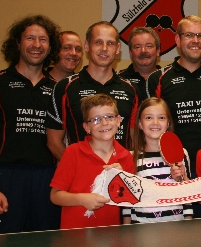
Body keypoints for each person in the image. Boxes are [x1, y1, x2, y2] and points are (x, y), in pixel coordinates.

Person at [0, 14, 62, 235]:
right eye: (30, 38)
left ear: (50, 47)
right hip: (6, 177)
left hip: (47, 179)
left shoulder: (58, 89)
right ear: (18, 43)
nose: (36, 45)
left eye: (43, 39)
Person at [146, 16, 201, 182]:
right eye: (189, 35)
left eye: (200, 36)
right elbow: (149, 126)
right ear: (177, 39)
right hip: (172, 167)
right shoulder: (158, 79)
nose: (195, 41)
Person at [47, 21, 139, 158]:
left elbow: (136, 140)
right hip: (80, 170)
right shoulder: (65, 87)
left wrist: (126, 167)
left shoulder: (131, 89)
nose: (104, 48)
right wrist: (77, 167)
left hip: (120, 169)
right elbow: (54, 142)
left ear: (118, 48)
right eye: (98, 42)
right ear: (87, 45)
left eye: (110, 43)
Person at [50, 94, 135, 229]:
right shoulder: (73, 152)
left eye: (109, 117)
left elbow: (129, 200)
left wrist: (122, 179)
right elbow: (55, 196)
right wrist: (82, 199)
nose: (104, 123)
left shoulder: (125, 157)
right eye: (96, 119)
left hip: (110, 234)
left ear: (119, 120)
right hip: (74, 235)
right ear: (86, 127)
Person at [126, 97, 192, 223]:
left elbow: (187, 197)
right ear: (140, 124)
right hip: (141, 228)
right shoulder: (130, 157)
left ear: (168, 123)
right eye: (148, 118)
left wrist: (181, 177)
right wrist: (127, 228)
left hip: (176, 228)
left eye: (161, 117)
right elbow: (127, 200)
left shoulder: (181, 153)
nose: (155, 122)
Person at [118, 27, 161, 102]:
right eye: (137, 47)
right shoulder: (118, 79)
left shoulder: (167, 79)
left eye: (149, 46)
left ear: (158, 51)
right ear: (130, 52)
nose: (143, 51)